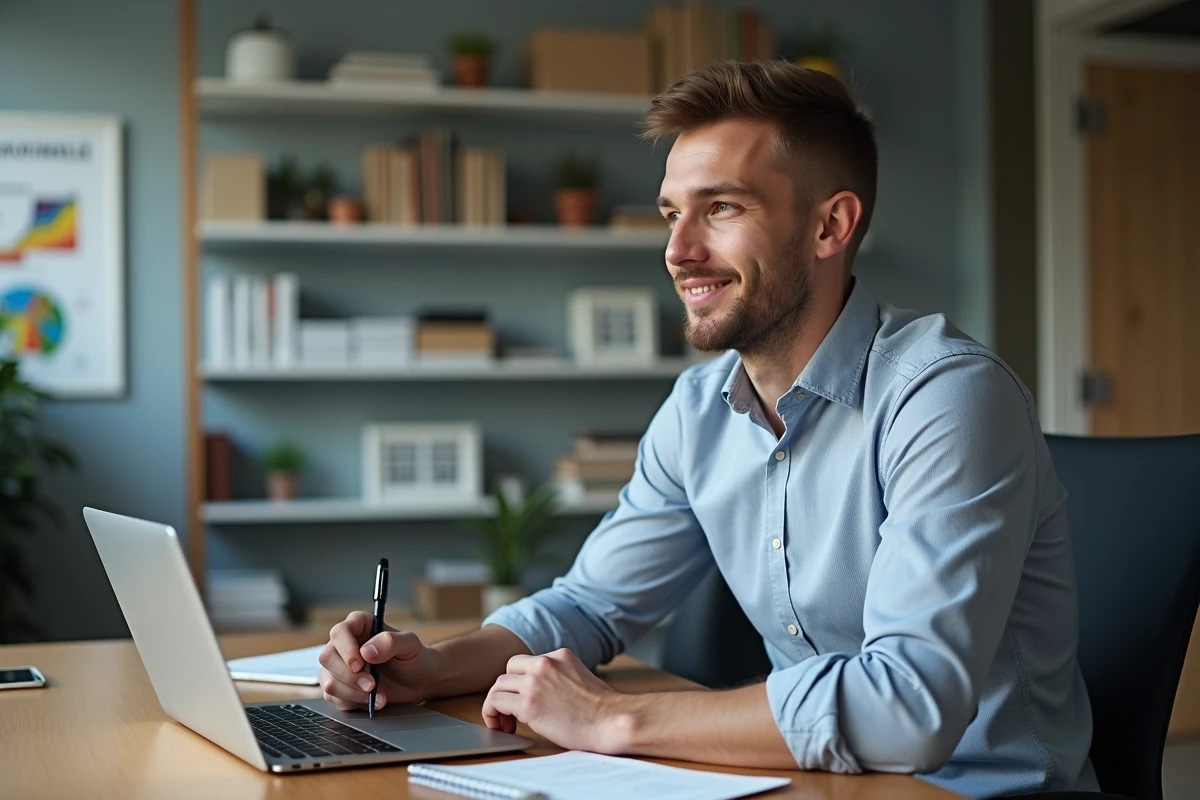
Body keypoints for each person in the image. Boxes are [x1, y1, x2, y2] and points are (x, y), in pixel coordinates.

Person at [318, 61, 1097, 798]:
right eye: (671, 213)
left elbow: (908, 706)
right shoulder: (698, 412)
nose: (678, 251)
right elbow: (590, 607)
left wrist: (613, 718)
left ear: (831, 226)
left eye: (721, 208)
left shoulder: (945, 397)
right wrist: (432, 668)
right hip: (818, 783)